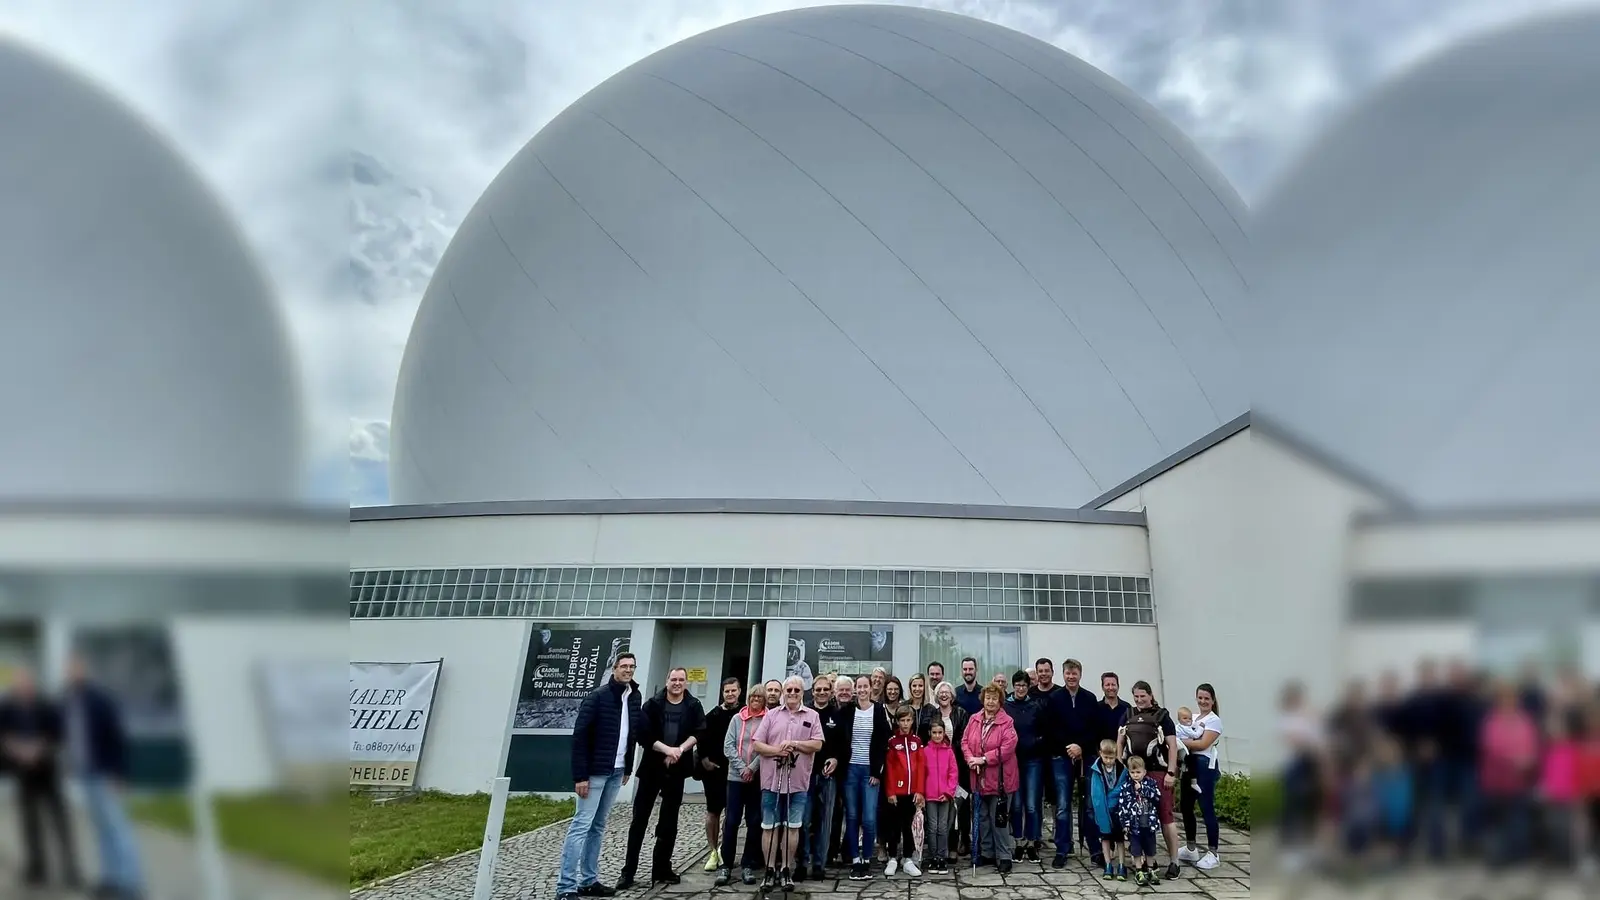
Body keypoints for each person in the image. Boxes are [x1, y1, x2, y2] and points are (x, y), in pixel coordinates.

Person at [556, 652, 642, 900]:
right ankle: (565, 887)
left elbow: (631, 734)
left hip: (616, 771)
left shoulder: (633, 697)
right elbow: (580, 738)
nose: (628, 670)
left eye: (632, 667)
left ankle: (588, 880)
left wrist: (627, 767)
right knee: (581, 825)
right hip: (594, 773)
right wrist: (580, 776)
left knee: (598, 826)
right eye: (624, 666)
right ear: (614, 668)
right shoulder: (598, 697)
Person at [62, 653, 143, 899]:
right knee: (101, 829)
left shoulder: (100, 700)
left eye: (77, 668)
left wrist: (119, 773)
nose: (73, 672)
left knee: (118, 828)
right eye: (70, 669)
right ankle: (111, 879)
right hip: (86, 774)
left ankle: (131, 884)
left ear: (85, 671)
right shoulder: (69, 700)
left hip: (105, 775)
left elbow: (118, 737)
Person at [618, 667, 705, 889]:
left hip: (676, 771)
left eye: (681, 680)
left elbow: (699, 732)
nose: (677, 683)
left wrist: (680, 750)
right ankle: (628, 872)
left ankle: (662, 868)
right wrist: (667, 750)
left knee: (669, 822)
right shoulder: (652, 704)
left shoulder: (693, 705)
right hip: (651, 769)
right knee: (639, 820)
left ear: (686, 682)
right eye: (673, 679)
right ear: (667, 681)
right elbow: (642, 735)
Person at [0, 666, 80, 890]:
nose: (23, 687)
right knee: (30, 823)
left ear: (32, 684)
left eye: (26, 683)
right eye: (18, 683)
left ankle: (71, 870)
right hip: (24, 774)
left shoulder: (46, 704)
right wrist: (14, 748)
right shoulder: (7, 706)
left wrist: (39, 748)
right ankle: (37, 870)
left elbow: (58, 734)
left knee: (60, 822)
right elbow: (3, 734)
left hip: (48, 772)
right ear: (14, 686)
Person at [752, 676, 824, 893]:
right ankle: (770, 869)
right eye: (788, 689)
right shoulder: (772, 715)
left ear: (803, 692)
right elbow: (757, 744)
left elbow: (818, 744)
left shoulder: (812, 715)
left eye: (796, 690)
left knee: (793, 827)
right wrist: (777, 751)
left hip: (798, 782)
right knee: (769, 827)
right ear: (783, 692)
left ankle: (786, 869)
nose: (792, 693)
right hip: (772, 781)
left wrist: (795, 744)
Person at [1120, 680, 1181, 880]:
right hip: (1134, 774)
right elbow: (1119, 739)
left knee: (1165, 817)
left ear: (1150, 695)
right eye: (1136, 697)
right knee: (1137, 818)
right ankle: (1143, 861)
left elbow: (1172, 746)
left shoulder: (1163, 716)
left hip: (1158, 772)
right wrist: (1123, 765)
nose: (1139, 700)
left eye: (1142, 696)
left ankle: (1174, 861)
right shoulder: (1128, 714)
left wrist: (1171, 773)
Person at [1044, 657, 1096, 868]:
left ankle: (1095, 849)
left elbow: (1095, 729)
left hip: (1086, 757)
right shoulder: (1055, 698)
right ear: (1063, 675)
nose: (1071, 676)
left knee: (1090, 806)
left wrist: (1081, 747)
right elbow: (1051, 729)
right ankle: (1062, 849)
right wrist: (1069, 747)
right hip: (1061, 757)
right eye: (1068, 673)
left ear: (1080, 675)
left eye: (1075, 673)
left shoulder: (1090, 698)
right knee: (1063, 806)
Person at [962, 683, 1019, 873]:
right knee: (983, 818)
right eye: (988, 698)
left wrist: (984, 759)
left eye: (995, 698)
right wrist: (970, 758)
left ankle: (1004, 856)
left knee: (999, 819)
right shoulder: (974, 719)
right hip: (978, 778)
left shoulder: (1007, 722)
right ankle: (986, 852)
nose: (991, 701)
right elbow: (964, 741)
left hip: (1001, 779)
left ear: (1000, 701)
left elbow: (1007, 748)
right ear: (983, 699)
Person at [840, 674, 891, 881]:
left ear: (871, 689)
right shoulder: (847, 711)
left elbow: (884, 741)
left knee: (869, 818)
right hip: (851, 770)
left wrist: (877, 772)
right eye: (858, 687)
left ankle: (867, 859)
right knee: (852, 816)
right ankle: (855, 860)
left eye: (865, 686)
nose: (861, 690)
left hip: (870, 772)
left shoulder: (879, 710)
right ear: (855, 690)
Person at [716, 684, 768, 887]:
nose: (756, 699)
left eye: (760, 697)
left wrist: (752, 769)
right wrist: (742, 768)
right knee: (731, 821)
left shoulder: (767, 720)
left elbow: (765, 747)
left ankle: (748, 863)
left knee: (754, 821)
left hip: (756, 778)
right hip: (735, 777)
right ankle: (726, 864)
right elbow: (728, 746)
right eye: (753, 696)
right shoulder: (737, 719)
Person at [797, 671, 842, 882]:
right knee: (804, 821)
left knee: (825, 821)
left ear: (830, 691)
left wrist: (836, 759)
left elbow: (845, 744)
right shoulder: (803, 712)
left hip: (828, 776)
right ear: (812, 692)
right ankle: (801, 862)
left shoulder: (838, 713)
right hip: (804, 775)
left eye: (826, 689)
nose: (822, 692)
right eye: (818, 689)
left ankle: (818, 865)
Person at [696, 677, 741, 874]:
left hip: (736, 772)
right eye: (726, 691)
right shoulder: (712, 715)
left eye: (733, 690)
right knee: (713, 812)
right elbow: (701, 739)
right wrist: (705, 761)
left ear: (739, 691)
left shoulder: (744, 713)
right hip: (714, 771)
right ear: (722, 693)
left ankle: (725, 849)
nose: (730, 694)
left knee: (732, 814)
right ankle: (713, 851)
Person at [1177, 684, 1224, 870]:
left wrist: (1180, 742)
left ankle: (1213, 852)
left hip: (1204, 767)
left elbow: (1203, 743)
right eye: (1200, 698)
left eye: (1206, 698)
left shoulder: (1214, 721)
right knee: (1186, 806)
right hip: (1189, 765)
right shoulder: (1193, 718)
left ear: (1213, 700)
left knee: (1206, 807)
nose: (1203, 701)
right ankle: (1190, 847)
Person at [923, 680, 971, 859]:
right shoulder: (932, 714)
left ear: (952, 695)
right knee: (939, 814)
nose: (944, 695)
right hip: (937, 771)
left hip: (957, 766)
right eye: (940, 692)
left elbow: (965, 739)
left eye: (947, 692)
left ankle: (955, 845)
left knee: (957, 809)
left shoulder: (961, 713)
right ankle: (937, 851)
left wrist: (949, 750)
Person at [1006, 670, 1045, 861]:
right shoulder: (1006, 705)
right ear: (1013, 686)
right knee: (1016, 805)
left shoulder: (1035, 706)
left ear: (1028, 686)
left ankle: (1032, 842)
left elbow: (1044, 731)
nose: (1021, 688)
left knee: (1031, 805)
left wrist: (1035, 742)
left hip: (1032, 761)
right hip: (1012, 761)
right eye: (1018, 685)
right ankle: (1019, 842)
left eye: (1024, 685)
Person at [883, 706, 925, 877]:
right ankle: (892, 857)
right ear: (898, 721)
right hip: (896, 793)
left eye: (908, 720)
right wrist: (890, 791)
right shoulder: (892, 742)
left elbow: (922, 767)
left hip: (912, 792)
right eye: (902, 720)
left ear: (912, 721)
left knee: (908, 826)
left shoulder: (917, 741)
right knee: (893, 826)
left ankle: (908, 859)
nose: (906, 724)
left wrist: (920, 790)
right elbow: (889, 769)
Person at [1115, 756, 1164, 886]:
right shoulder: (1126, 787)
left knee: (1150, 848)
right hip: (1134, 825)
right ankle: (1138, 870)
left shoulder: (1151, 783)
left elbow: (1157, 797)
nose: (1135, 775)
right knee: (1136, 848)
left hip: (1149, 823)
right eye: (1132, 772)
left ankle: (1150, 869)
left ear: (1144, 771)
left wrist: (1142, 789)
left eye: (1138, 772)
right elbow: (1122, 806)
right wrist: (1125, 824)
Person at [921, 719, 959, 874]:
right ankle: (933, 857)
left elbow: (953, 773)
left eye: (940, 733)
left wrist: (948, 792)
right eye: (934, 732)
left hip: (944, 797)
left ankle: (941, 857)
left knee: (943, 827)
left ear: (944, 733)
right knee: (932, 827)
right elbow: (921, 774)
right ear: (930, 733)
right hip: (929, 797)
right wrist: (922, 793)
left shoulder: (949, 751)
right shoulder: (924, 751)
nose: (937, 736)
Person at [1088, 739, 1129, 882]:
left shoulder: (1122, 770)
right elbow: (1095, 792)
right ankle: (1107, 864)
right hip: (1103, 810)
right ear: (1100, 754)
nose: (1109, 761)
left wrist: (1111, 799)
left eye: (1112, 758)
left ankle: (1122, 865)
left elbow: (1121, 788)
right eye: (1106, 757)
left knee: (1119, 839)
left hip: (1117, 810)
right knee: (1105, 838)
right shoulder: (1096, 769)